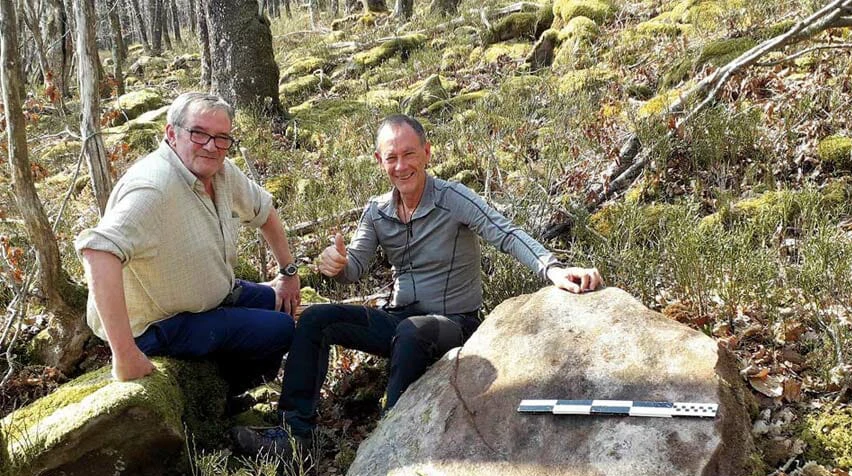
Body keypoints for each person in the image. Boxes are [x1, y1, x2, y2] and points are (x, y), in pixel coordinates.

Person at [232, 114, 601, 457]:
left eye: (410, 154)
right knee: (316, 320)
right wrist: (337, 265)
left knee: (411, 331)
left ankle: (390, 440)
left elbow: (504, 232)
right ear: (379, 161)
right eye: (392, 157)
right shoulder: (376, 211)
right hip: (398, 320)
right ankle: (294, 435)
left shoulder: (452, 197)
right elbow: (355, 267)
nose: (401, 165)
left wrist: (551, 268)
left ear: (426, 153)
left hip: (453, 324)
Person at [75, 92, 301, 398]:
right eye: (199, 133)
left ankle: (224, 387)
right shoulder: (153, 186)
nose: (211, 146)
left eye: (222, 137)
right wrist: (125, 355)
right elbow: (98, 251)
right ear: (172, 134)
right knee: (280, 329)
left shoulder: (219, 170)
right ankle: (217, 396)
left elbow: (264, 210)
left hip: (211, 298)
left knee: (280, 302)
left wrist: (288, 273)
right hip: (159, 326)